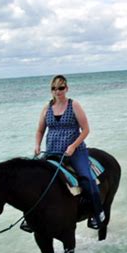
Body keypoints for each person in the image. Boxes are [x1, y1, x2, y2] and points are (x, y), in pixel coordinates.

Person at [21, 75, 104, 232]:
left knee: (86, 177)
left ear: (66, 88)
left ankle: (97, 212)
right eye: (54, 88)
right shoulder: (47, 108)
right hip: (52, 151)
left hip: (74, 151)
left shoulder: (74, 105)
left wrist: (73, 146)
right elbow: (40, 130)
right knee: (34, 179)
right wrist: (37, 145)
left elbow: (86, 130)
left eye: (60, 88)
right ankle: (30, 219)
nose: (57, 91)